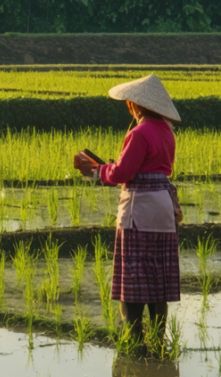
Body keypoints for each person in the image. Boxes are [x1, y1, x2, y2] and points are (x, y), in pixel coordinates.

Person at [73, 73, 182, 341]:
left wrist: (96, 171)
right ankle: (158, 339)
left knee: (133, 282)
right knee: (157, 280)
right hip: (162, 210)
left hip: (139, 211)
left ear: (134, 105)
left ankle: (133, 341)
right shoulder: (167, 132)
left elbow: (123, 172)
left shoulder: (139, 132)